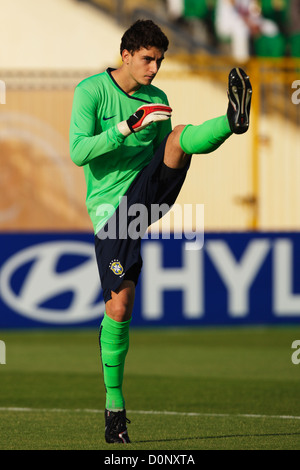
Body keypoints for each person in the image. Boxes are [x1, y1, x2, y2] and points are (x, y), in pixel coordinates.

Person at [69, 19, 252, 444]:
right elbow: (79, 152)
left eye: (159, 61)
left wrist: (152, 132)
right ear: (126, 55)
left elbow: (162, 154)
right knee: (120, 308)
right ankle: (115, 409)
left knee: (176, 139)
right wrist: (126, 126)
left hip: (146, 194)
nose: (154, 69)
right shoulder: (91, 91)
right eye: (147, 59)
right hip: (111, 211)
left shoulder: (157, 97)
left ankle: (231, 120)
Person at [215, 0, 279, 62]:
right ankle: (241, 65)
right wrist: (250, 24)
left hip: (247, 22)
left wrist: (255, 22)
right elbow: (232, 14)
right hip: (227, 24)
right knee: (241, 29)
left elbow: (253, 11)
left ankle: (275, 62)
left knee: (271, 27)